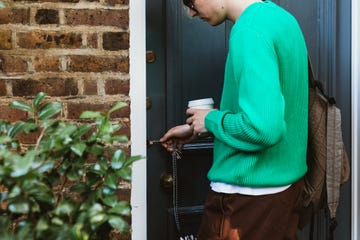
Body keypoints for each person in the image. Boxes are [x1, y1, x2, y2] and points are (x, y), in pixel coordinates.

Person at [160, 0, 308, 239]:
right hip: (282, 195)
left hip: (246, 202)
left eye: (190, 1)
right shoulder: (282, 20)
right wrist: (202, 125)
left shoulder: (249, 32)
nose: (189, 12)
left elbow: (265, 129)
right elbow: (276, 109)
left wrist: (212, 120)